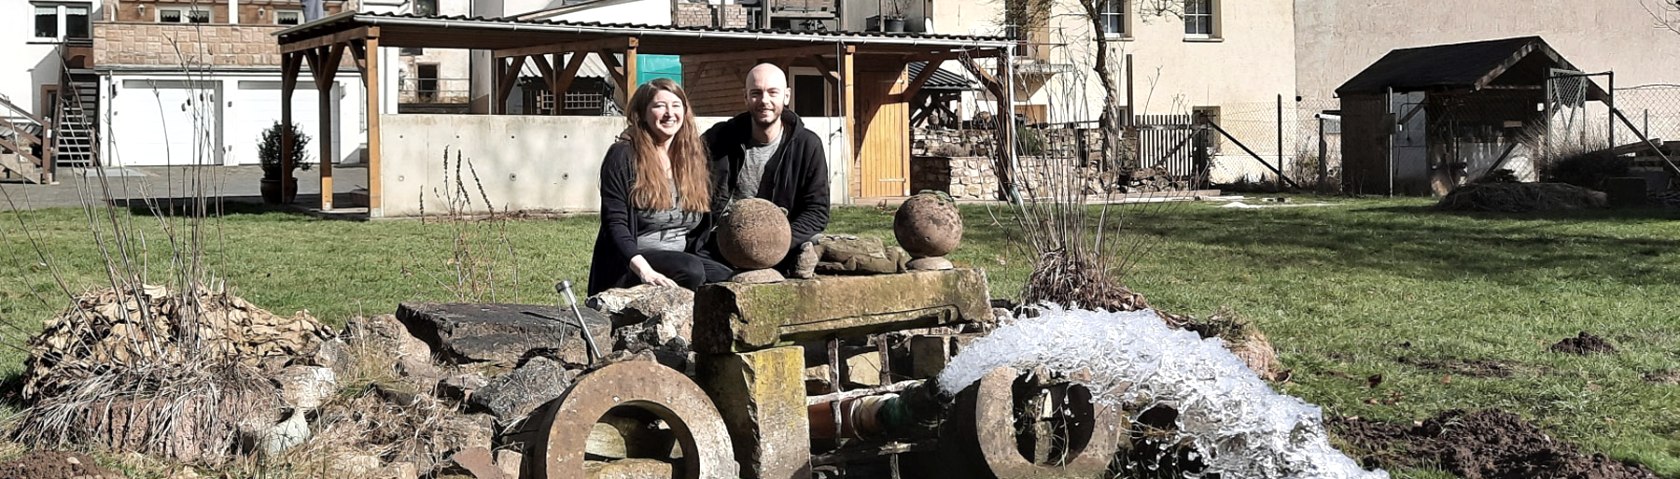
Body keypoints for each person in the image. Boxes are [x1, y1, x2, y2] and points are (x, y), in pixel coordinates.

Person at [587, 78, 733, 296]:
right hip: (633, 262)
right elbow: (615, 224)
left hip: (683, 256)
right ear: (641, 114)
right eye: (659, 106)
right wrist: (645, 271)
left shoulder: (692, 157)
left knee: (730, 279)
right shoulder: (623, 156)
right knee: (691, 270)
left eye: (676, 106)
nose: (669, 113)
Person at [701, 63, 830, 275]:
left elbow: (817, 212)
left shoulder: (807, 145)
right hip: (719, 247)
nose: (764, 101)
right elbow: (681, 164)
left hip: (782, 246)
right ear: (745, 97)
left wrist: (776, 243)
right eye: (756, 93)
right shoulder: (719, 138)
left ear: (786, 96)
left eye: (772, 92)